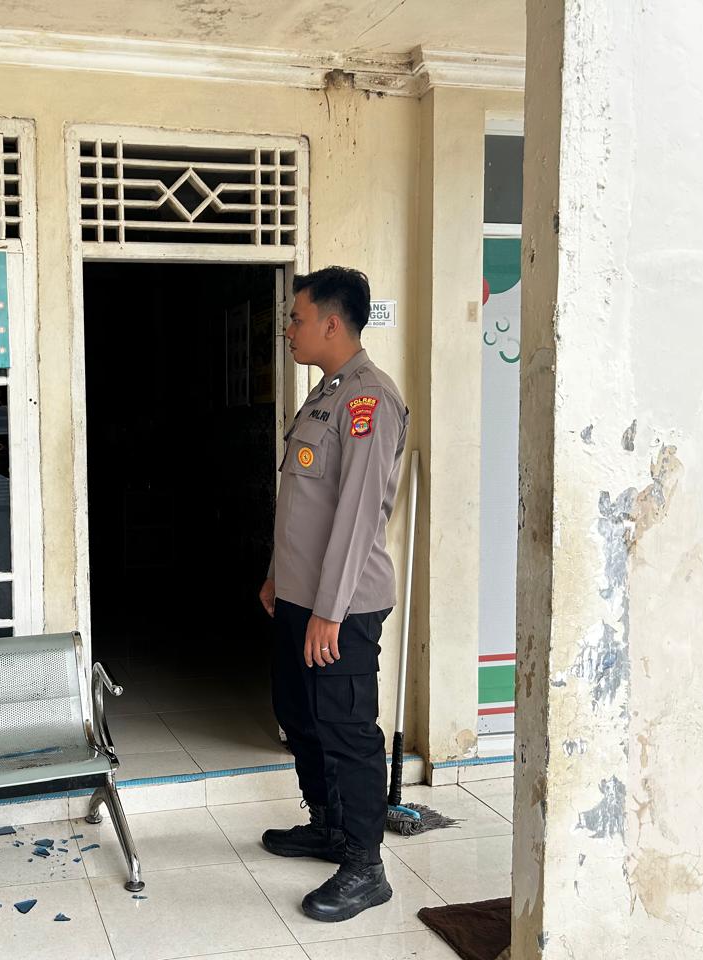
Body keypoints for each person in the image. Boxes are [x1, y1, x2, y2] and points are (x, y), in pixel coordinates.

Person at [258, 267, 409, 924]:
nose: (288, 329)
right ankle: (328, 825)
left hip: (341, 605)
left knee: (346, 730)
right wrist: (277, 574)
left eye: (296, 318)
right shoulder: (326, 395)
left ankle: (364, 866)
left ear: (331, 322)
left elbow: (356, 516)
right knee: (299, 714)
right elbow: (301, 503)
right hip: (300, 596)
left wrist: (330, 611)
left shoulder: (369, 400)